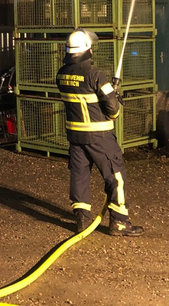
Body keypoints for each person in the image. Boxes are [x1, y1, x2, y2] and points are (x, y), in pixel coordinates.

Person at [55, 29, 145, 237]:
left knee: (79, 175)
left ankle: (82, 220)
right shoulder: (95, 74)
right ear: (87, 49)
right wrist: (114, 99)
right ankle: (119, 223)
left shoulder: (62, 74)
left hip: (75, 137)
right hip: (100, 137)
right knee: (116, 177)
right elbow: (112, 109)